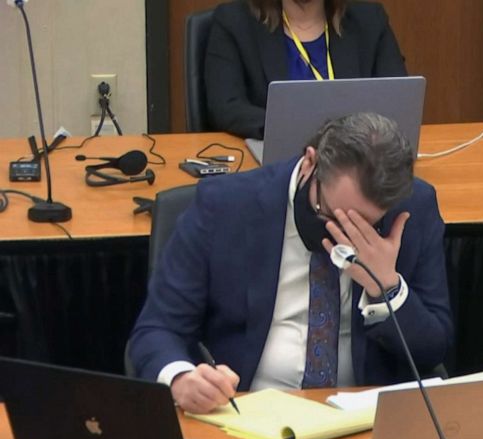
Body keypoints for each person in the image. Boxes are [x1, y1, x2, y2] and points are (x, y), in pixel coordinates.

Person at [130, 112, 451, 413]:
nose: (341, 234)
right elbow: (157, 328)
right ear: (310, 163)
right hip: (246, 410)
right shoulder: (225, 206)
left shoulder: (412, 212)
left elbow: (432, 351)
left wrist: (386, 287)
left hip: (363, 417)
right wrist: (181, 379)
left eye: (362, 226)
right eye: (331, 215)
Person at [205, 0, 407, 138]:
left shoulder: (370, 20)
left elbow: (398, 100)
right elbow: (227, 107)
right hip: (277, 161)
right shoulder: (234, 21)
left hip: (356, 162)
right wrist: (297, 128)